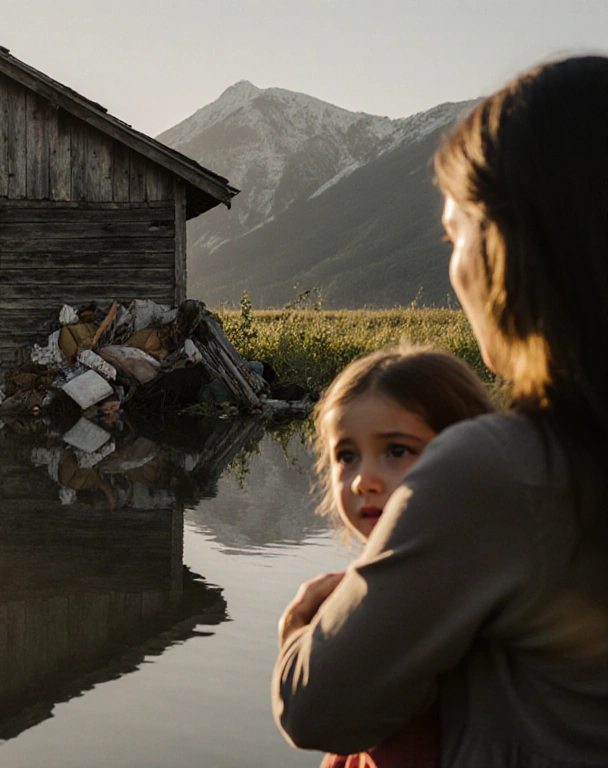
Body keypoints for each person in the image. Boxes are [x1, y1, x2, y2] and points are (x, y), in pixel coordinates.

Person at [274, 55, 608, 766]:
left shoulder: (503, 468)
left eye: (456, 236)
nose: (455, 267)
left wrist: (306, 628)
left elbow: (316, 708)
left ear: (509, 247)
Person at [305, 345, 495, 768]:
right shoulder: (366, 590)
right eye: (346, 456)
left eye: (396, 451)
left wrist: (298, 643)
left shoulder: (450, 592)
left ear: (467, 457)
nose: (364, 481)